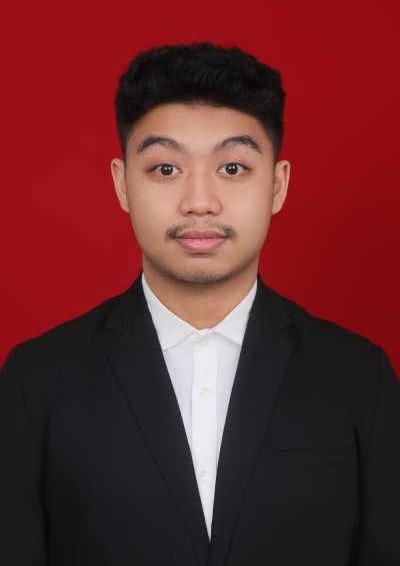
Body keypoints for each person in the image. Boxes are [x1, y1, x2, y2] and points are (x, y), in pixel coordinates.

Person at [0, 42, 399, 566]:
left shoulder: (361, 377)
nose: (199, 201)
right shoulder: (34, 381)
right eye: (166, 169)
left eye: (232, 167)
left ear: (277, 185)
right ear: (122, 184)